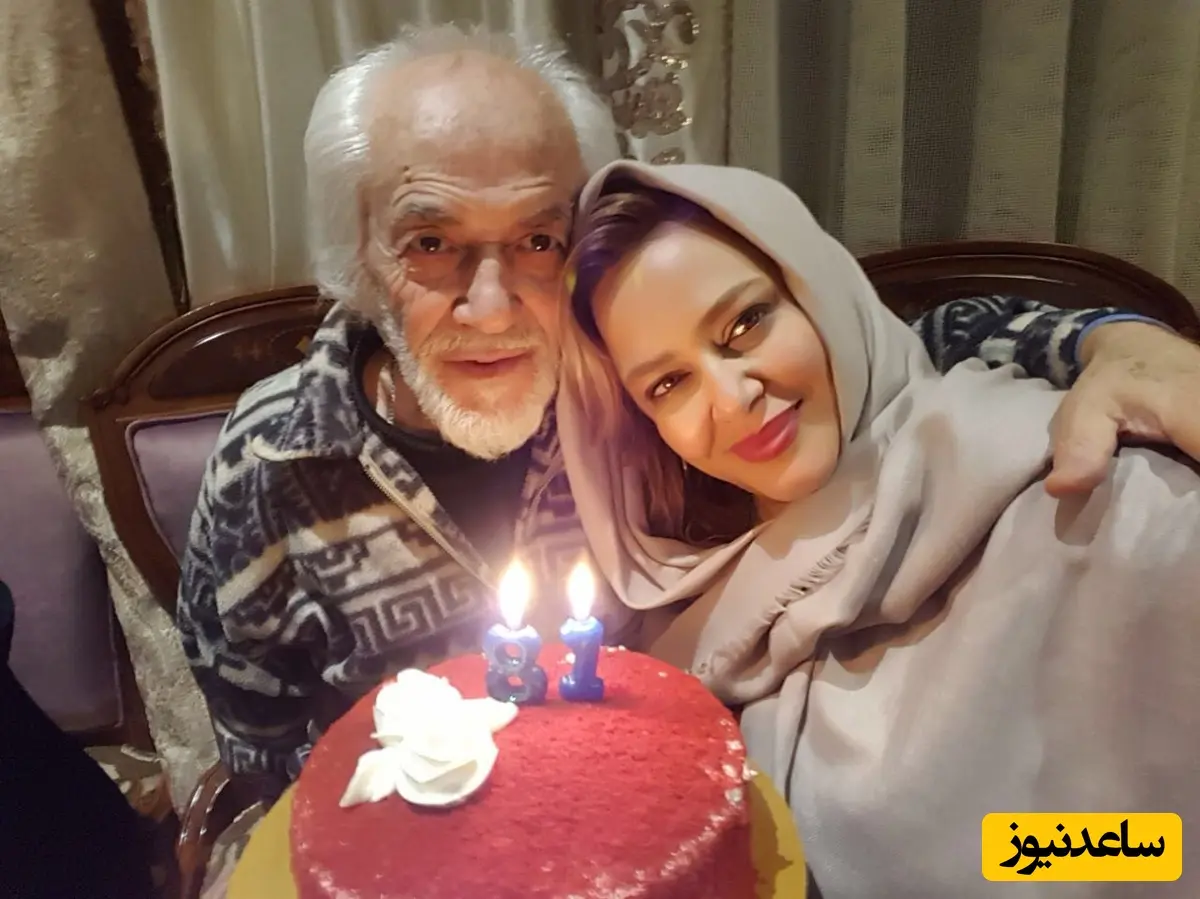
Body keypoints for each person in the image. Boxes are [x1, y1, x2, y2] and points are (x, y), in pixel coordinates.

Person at [177, 22, 1200, 888]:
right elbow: (266, 770)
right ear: (355, 255)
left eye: (538, 239)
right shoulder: (270, 468)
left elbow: (903, 356)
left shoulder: (632, 404)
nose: (490, 307)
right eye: (431, 242)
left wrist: (1112, 341)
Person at [556, 159, 1200, 898]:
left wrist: (992, 858)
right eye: (669, 383)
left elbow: (1165, 842)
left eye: (745, 322)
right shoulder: (695, 601)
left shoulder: (1096, 492)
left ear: (818, 294)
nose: (732, 399)